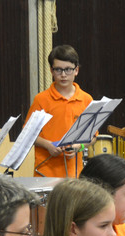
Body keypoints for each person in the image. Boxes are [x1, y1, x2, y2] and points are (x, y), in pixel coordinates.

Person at [27, 45, 92, 178]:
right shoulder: (41, 99)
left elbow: (92, 137)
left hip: (74, 172)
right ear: (51, 70)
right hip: (45, 172)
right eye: (58, 70)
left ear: (76, 70)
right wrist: (48, 145)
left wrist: (77, 147)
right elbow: (28, 134)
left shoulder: (86, 99)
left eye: (68, 69)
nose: (63, 75)